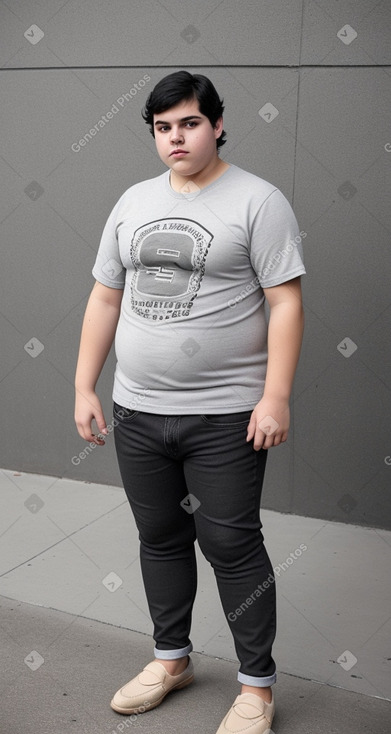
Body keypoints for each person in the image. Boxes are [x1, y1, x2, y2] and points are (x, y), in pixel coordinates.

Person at [74, 70, 305, 734]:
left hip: (226, 414)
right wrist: (85, 385)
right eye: (162, 127)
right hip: (138, 410)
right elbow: (105, 297)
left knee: (230, 545)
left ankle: (255, 690)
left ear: (218, 124)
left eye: (189, 123)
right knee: (161, 538)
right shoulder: (132, 202)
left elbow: (284, 300)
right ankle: (170, 659)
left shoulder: (258, 202)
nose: (175, 137)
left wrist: (275, 396)